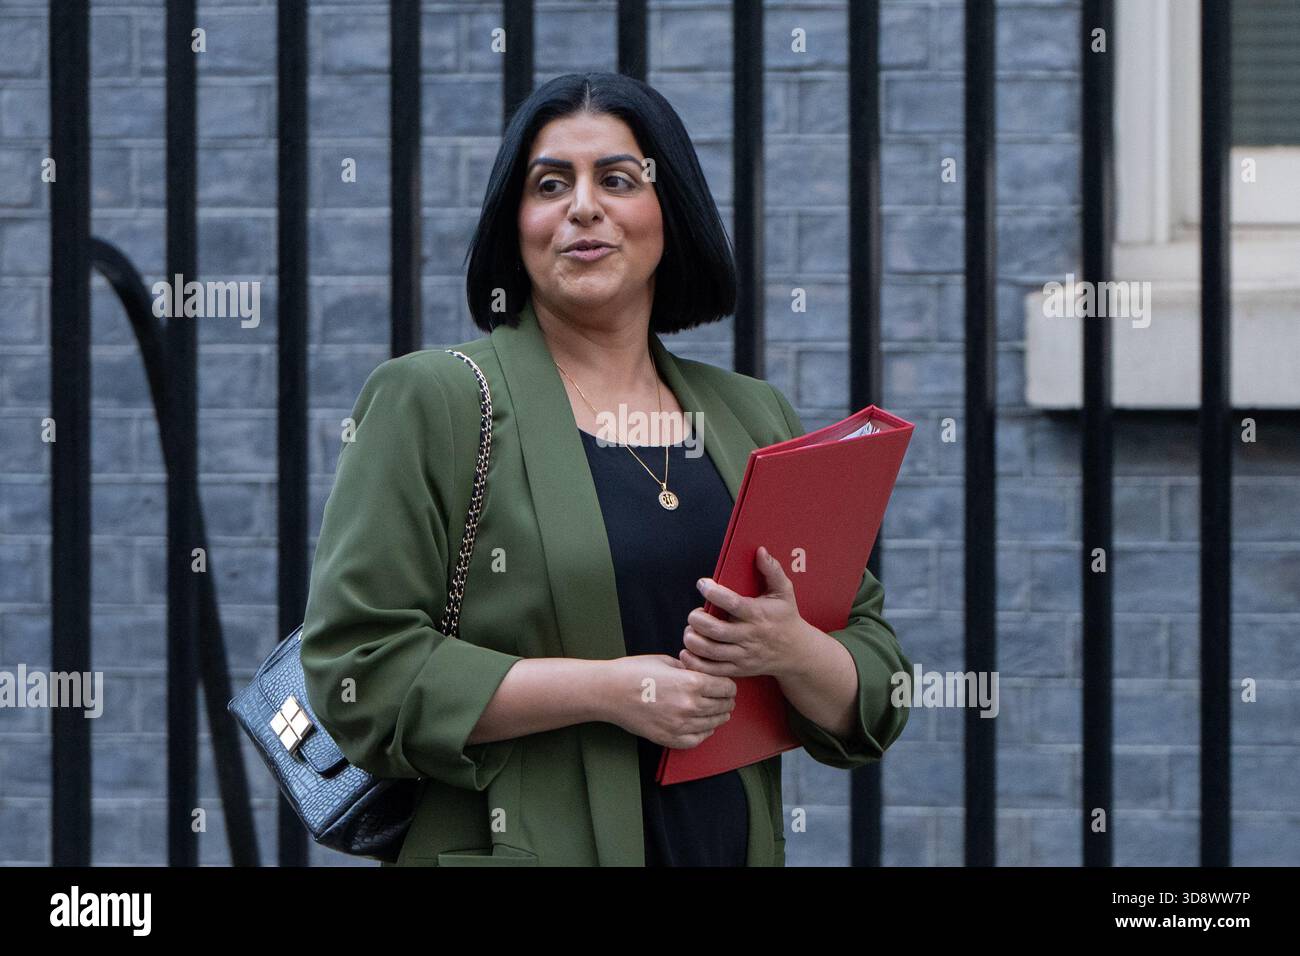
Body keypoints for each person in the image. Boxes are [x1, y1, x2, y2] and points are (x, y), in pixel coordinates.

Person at [300, 71, 911, 867]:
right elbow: (358, 673)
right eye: (550, 184)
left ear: (670, 212)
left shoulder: (751, 415)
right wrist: (611, 690)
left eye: (617, 180)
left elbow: (874, 685)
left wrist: (790, 649)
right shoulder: (437, 401)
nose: (582, 206)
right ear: (515, 224)